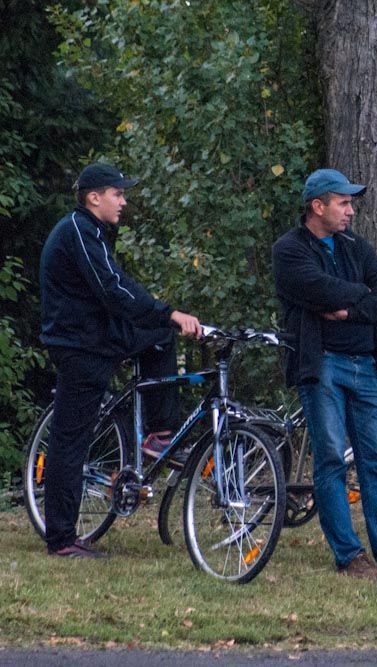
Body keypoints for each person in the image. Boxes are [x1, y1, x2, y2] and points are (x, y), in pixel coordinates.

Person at [272, 168, 377, 583]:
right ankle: (349, 556)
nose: (350, 211)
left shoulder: (355, 246)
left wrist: (348, 309)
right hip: (322, 364)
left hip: (367, 366)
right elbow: (317, 288)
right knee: (330, 460)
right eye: (342, 202)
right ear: (317, 205)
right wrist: (361, 294)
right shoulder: (289, 250)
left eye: (350, 203)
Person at [39, 162, 201, 559]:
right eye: (118, 193)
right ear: (94, 197)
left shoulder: (93, 232)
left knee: (159, 338)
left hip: (100, 336)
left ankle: (157, 435)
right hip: (79, 345)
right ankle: (61, 538)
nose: (123, 201)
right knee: (70, 442)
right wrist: (167, 312)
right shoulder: (78, 230)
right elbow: (112, 289)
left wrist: (161, 317)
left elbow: (119, 287)